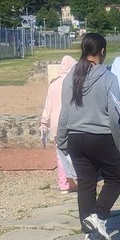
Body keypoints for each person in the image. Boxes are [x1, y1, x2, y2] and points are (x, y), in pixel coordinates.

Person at [57, 33, 120, 240]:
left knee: (86, 184)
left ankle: (89, 235)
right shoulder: (109, 78)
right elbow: (114, 117)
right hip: (100, 136)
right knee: (117, 177)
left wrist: (61, 140)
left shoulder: (71, 76)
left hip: (76, 138)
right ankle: (98, 215)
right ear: (103, 52)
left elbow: (64, 112)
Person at [39, 55, 78, 192]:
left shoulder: (53, 85)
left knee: (60, 154)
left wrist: (44, 123)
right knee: (75, 153)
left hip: (56, 124)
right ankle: (75, 180)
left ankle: (64, 183)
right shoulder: (75, 83)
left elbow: (48, 107)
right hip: (73, 123)